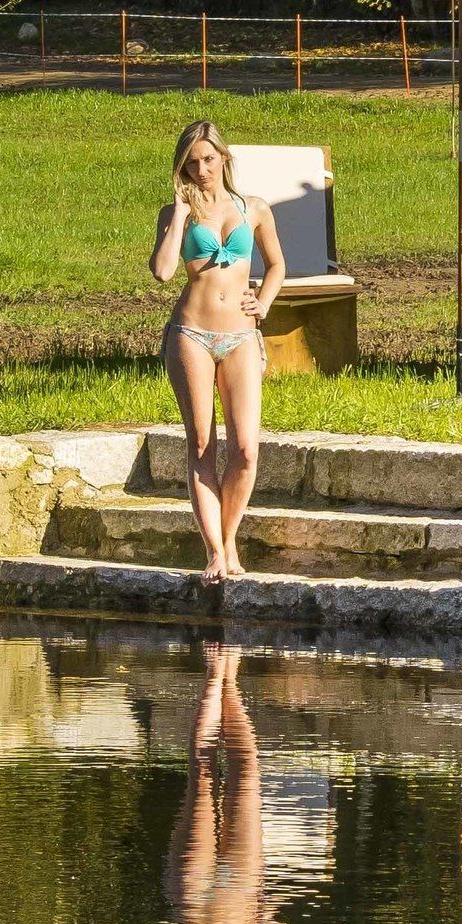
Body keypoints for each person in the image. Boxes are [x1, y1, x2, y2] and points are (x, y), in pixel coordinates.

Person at [150, 117, 285, 582]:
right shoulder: (176, 214)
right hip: (192, 334)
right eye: (192, 163)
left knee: (246, 449)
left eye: (208, 159)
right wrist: (180, 216)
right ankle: (214, 552)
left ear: (224, 158)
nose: (202, 170)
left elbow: (277, 265)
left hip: (242, 335)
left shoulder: (255, 208)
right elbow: (164, 272)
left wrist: (263, 303)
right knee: (202, 443)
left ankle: (229, 539)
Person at [156, 643, 288, 924]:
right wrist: (266, 919)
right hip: (243, 891)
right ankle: (229, 681)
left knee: (203, 773)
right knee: (248, 774)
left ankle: (215, 679)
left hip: (194, 894)